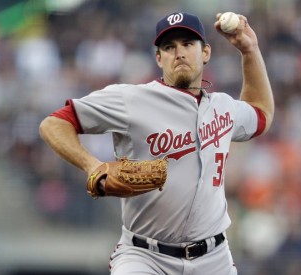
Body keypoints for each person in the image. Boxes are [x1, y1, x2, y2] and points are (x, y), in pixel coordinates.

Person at [39, 11, 274, 275]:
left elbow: (261, 112)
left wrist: (249, 50)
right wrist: (92, 165)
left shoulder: (223, 107)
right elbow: (54, 123)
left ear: (205, 52)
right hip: (145, 257)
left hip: (214, 258)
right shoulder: (131, 99)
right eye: (170, 47)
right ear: (159, 58)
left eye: (188, 44)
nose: (180, 53)